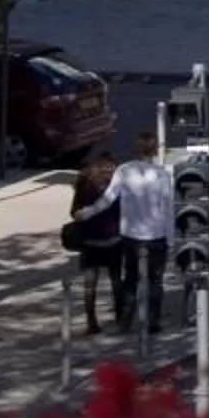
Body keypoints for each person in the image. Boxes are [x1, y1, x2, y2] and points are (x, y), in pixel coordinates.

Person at [72, 132, 175, 340]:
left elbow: (107, 200)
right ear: (155, 150)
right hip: (156, 235)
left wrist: (86, 213)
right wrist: (171, 239)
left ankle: (125, 322)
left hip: (132, 235)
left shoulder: (124, 171)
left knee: (131, 279)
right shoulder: (163, 175)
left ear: (136, 149)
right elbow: (168, 210)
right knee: (155, 281)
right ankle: (153, 322)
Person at [64, 150, 124, 335]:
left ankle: (92, 322)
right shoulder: (117, 184)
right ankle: (120, 318)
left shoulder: (84, 183)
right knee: (116, 280)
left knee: (90, 284)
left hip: (90, 241)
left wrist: (82, 215)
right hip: (114, 239)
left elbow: (74, 211)